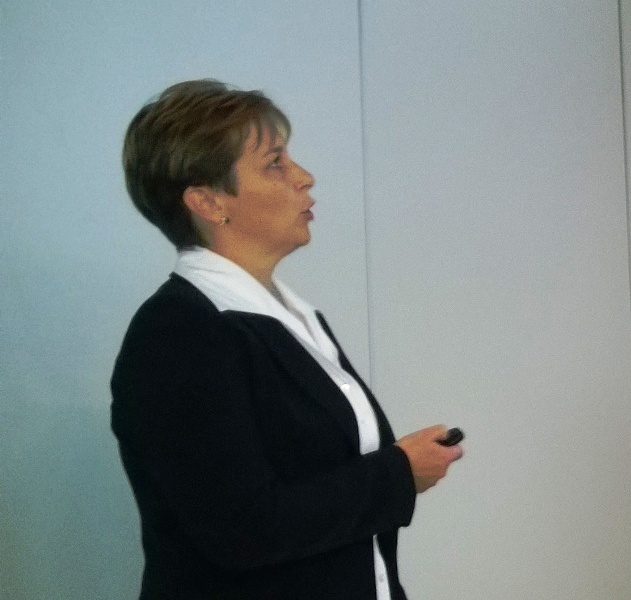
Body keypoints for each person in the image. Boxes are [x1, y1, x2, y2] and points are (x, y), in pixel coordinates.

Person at [111, 79, 463, 600]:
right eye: (275, 163)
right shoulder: (178, 334)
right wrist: (398, 474)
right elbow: (243, 527)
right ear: (208, 201)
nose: (304, 177)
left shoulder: (287, 319)